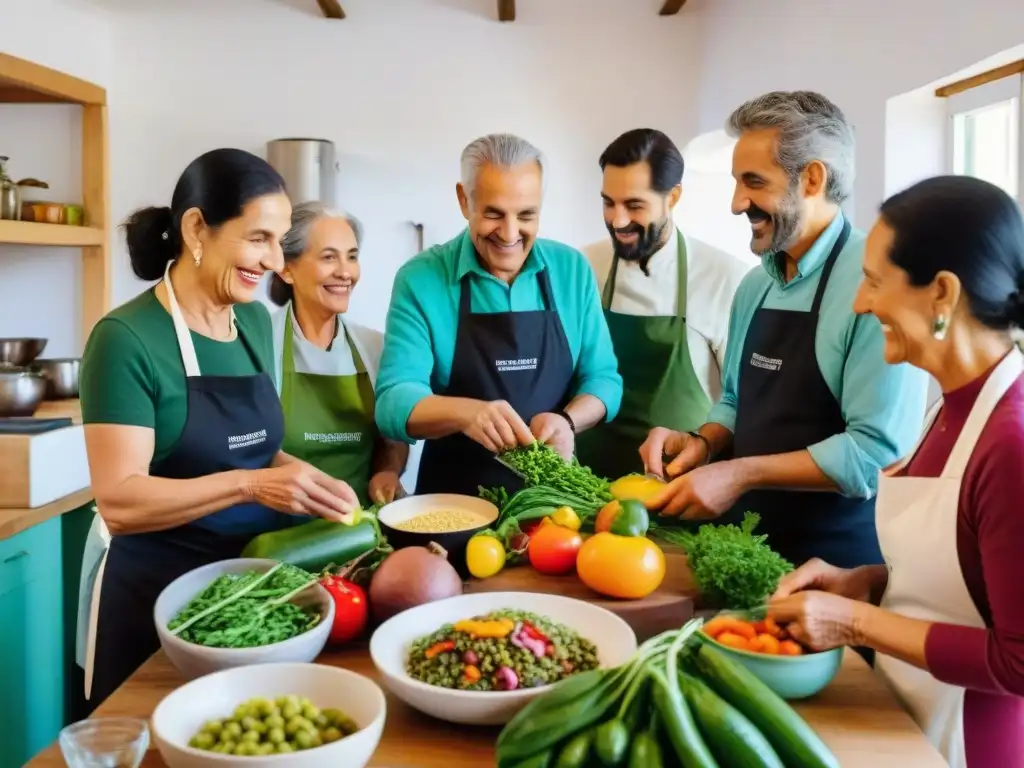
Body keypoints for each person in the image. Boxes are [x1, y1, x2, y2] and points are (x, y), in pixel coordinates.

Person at [76, 149, 358, 708]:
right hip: (155, 601)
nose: (277, 261)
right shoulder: (125, 339)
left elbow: (259, 448)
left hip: (249, 594)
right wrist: (250, 485)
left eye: (280, 241)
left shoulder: (252, 319)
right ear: (197, 228)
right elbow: (120, 501)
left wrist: (300, 476)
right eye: (259, 238)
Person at [768, 175, 1024, 768]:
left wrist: (856, 623)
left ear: (941, 293)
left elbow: (1018, 662)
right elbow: (967, 580)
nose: (861, 302)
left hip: (966, 746)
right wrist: (870, 580)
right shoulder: (946, 402)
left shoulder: (1010, 441)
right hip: (907, 719)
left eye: (875, 281)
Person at [641, 91, 928, 569]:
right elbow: (735, 400)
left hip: (836, 568)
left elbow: (874, 453)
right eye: (736, 182)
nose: (737, 203)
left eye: (754, 182)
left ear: (812, 179)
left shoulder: (876, 284)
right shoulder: (756, 285)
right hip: (745, 552)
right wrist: (704, 441)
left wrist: (739, 474)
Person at [375, 133, 623, 495]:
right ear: (464, 199)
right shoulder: (421, 279)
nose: (509, 234)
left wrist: (568, 421)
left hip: (554, 503)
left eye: (526, 215)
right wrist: (467, 413)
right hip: (452, 504)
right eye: (493, 214)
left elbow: (604, 380)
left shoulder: (571, 270)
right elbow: (393, 401)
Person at [577, 128, 753, 480]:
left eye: (634, 205)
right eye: (608, 202)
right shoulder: (584, 267)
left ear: (673, 197)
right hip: (584, 490)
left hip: (681, 491)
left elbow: (743, 406)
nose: (618, 220)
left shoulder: (726, 278)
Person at [268, 201, 409, 506]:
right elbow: (247, 451)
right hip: (279, 529)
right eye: (329, 257)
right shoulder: (260, 345)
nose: (346, 272)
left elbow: (392, 438)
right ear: (286, 269)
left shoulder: (375, 347)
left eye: (352, 257)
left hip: (361, 528)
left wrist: (388, 471)